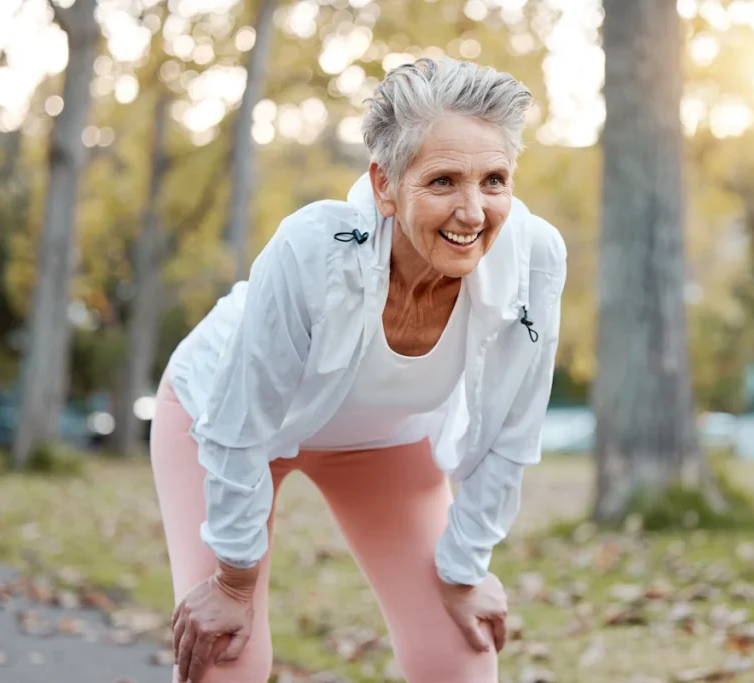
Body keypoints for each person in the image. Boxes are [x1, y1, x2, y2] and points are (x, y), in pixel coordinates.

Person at [150, 56, 567, 683]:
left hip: (382, 440)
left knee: (462, 653)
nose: (474, 212)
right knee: (226, 659)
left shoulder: (533, 259)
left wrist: (463, 570)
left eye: (494, 180)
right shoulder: (313, 249)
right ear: (384, 185)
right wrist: (232, 582)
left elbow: (514, 428)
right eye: (444, 181)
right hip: (223, 421)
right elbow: (239, 422)